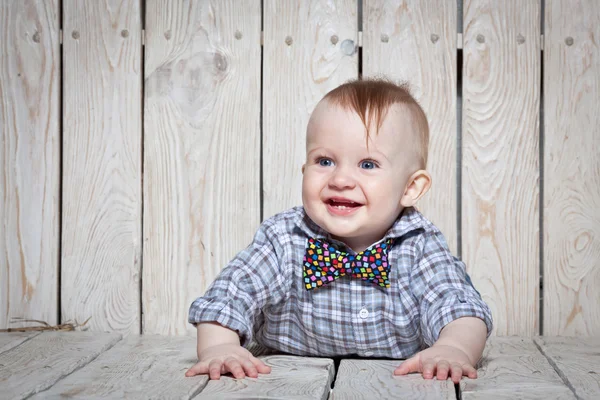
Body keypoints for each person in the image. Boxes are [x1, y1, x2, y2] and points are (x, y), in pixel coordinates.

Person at [185, 77, 493, 384]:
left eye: (368, 164)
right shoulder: (284, 238)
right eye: (325, 161)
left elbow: (458, 306)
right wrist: (220, 346)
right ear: (304, 171)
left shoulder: (420, 245)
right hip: (290, 377)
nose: (341, 179)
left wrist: (453, 348)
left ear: (411, 188)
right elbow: (230, 295)